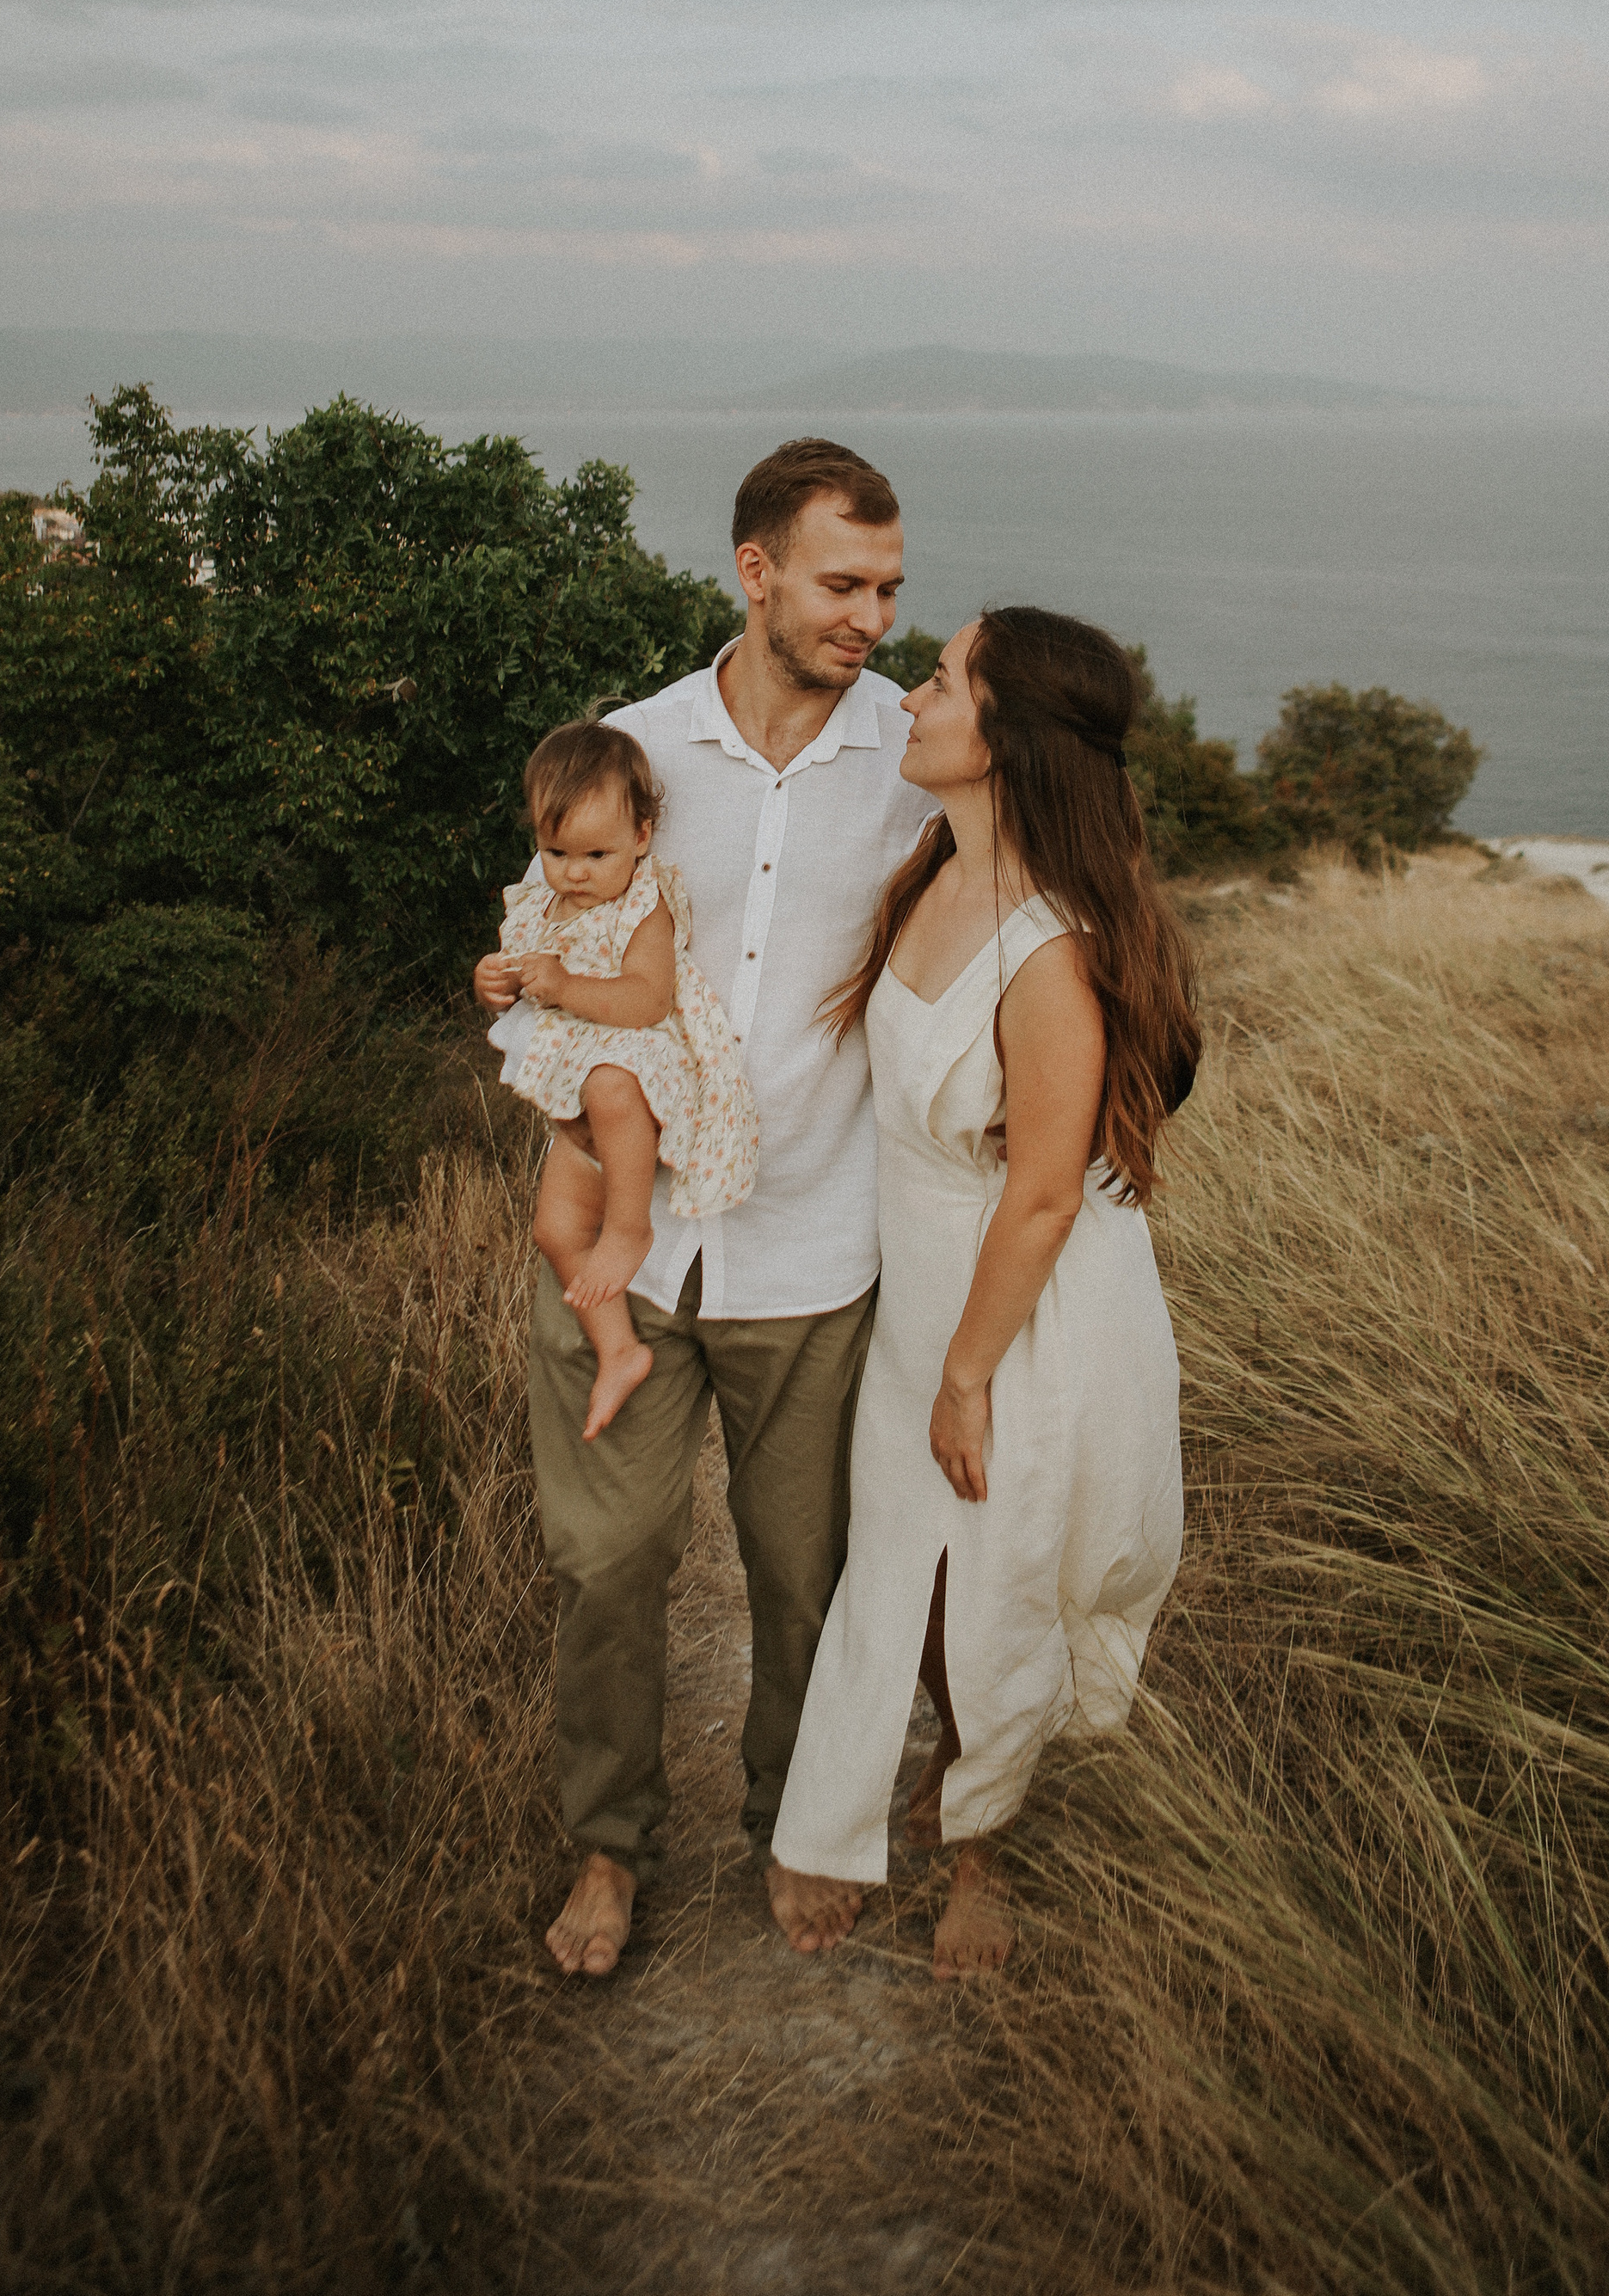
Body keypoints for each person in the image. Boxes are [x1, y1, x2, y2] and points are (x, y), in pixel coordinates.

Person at [484, 439, 935, 1981]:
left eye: (887, 586)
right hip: (635, 1236)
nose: (871, 615)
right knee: (608, 1568)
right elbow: (551, 923)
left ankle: (797, 1827)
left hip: (818, 1245)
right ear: (755, 572)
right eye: (840, 583)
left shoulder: (913, 758)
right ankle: (607, 1851)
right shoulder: (635, 746)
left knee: (803, 1575)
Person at [766, 607, 1200, 1980]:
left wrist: (966, 1374)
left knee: (993, 1583)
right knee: (909, 1567)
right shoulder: (933, 868)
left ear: (1000, 740)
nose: (910, 695)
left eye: (942, 679)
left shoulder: (1051, 950)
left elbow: (1048, 1193)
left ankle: (979, 1855)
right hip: (923, 1284)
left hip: (1020, 1310)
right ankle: (878, 1805)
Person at [476, 720, 760, 1445]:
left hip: (643, 1060)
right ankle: (619, 1349)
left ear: (642, 835)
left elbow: (647, 1000)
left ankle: (630, 1225)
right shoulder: (542, 903)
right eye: (556, 852)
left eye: (596, 853)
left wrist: (566, 983)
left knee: (608, 1083)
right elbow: (518, 979)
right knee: (554, 1228)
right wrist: (495, 983)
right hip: (577, 1093)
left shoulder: (645, 904)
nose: (574, 872)